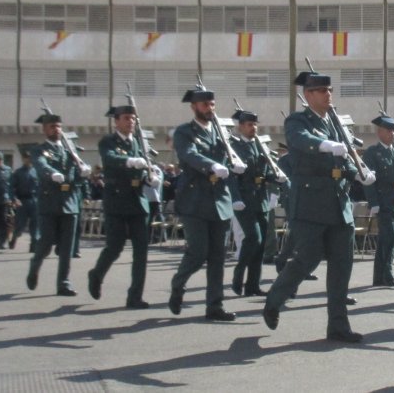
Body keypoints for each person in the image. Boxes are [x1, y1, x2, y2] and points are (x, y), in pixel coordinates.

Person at [263, 71, 375, 342]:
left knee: (341, 265)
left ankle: (338, 326)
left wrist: (359, 173)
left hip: (338, 203)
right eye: (322, 91)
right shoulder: (297, 120)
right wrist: (325, 145)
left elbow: (344, 157)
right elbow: (300, 140)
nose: (328, 95)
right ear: (308, 95)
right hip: (311, 203)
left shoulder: (335, 123)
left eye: (330, 90)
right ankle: (275, 298)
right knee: (307, 259)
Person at [168, 85, 241, 321]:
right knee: (198, 252)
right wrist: (211, 165)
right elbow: (188, 154)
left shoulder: (220, 131)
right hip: (194, 200)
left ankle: (215, 306)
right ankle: (178, 284)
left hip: (219, 200)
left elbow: (230, 154)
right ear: (194, 107)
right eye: (204, 104)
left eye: (212, 104)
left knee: (218, 257)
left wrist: (235, 162)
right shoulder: (184, 132)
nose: (209, 108)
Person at [89, 104, 159, 309]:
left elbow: (143, 168)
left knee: (141, 251)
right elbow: (110, 159)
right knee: (115, 247)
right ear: (116, 121)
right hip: (117, 201)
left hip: (138, 201)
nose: (131, 122)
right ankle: (97, 274)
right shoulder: (108, 141)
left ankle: (135, 296)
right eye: (126, 118)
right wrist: (130, 161)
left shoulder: (138, 143)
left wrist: (149, 177)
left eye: (133, 118)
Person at [26, 112, 90, 296]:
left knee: (67, 247)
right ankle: (35, 265)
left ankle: (63, 282)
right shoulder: (39, 150)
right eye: (52, 126)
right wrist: (51, 173)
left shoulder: (70, 150)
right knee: (46, 243)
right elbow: (40, 165)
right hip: (49, 202)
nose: (56, 130)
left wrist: (83, 172)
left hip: (70, 202)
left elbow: (76, 175)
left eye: (59, 126)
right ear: (45, 129)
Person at [229, 109, 287, 297]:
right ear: (240, 126)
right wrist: (235, 198)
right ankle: (238, 274)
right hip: (244, 200)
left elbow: (264, 172)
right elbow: (231, 176)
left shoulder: (259, 146)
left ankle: (252, 285)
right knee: (254, 238)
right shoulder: (234, 147)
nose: (253, 128)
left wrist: (276, 177)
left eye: (255, 124)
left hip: (260, 199)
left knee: (261, 245)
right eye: (249, 125)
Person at [362, 113, 394, 287]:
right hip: (382, 201)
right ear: (379, 132)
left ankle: (379, 277)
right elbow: (368, 180)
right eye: (388, 130)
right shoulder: (372, 152)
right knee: (390, 236)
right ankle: (387, 274)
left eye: (393, 131)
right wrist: (373, 202)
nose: (392, 134)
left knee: (388, 239)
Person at [9, 152, 39, 252]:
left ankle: (33, 244)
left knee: (35, 224)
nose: (28, 160)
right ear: (23, 159)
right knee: (20, 225)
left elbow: (41, 186)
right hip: (22, 201)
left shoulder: (36, 171)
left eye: (30, 158)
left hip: (34, 201)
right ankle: (14, 237)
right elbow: (11, 187)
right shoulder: (18, 173)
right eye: (26, 158)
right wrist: (14, 199)